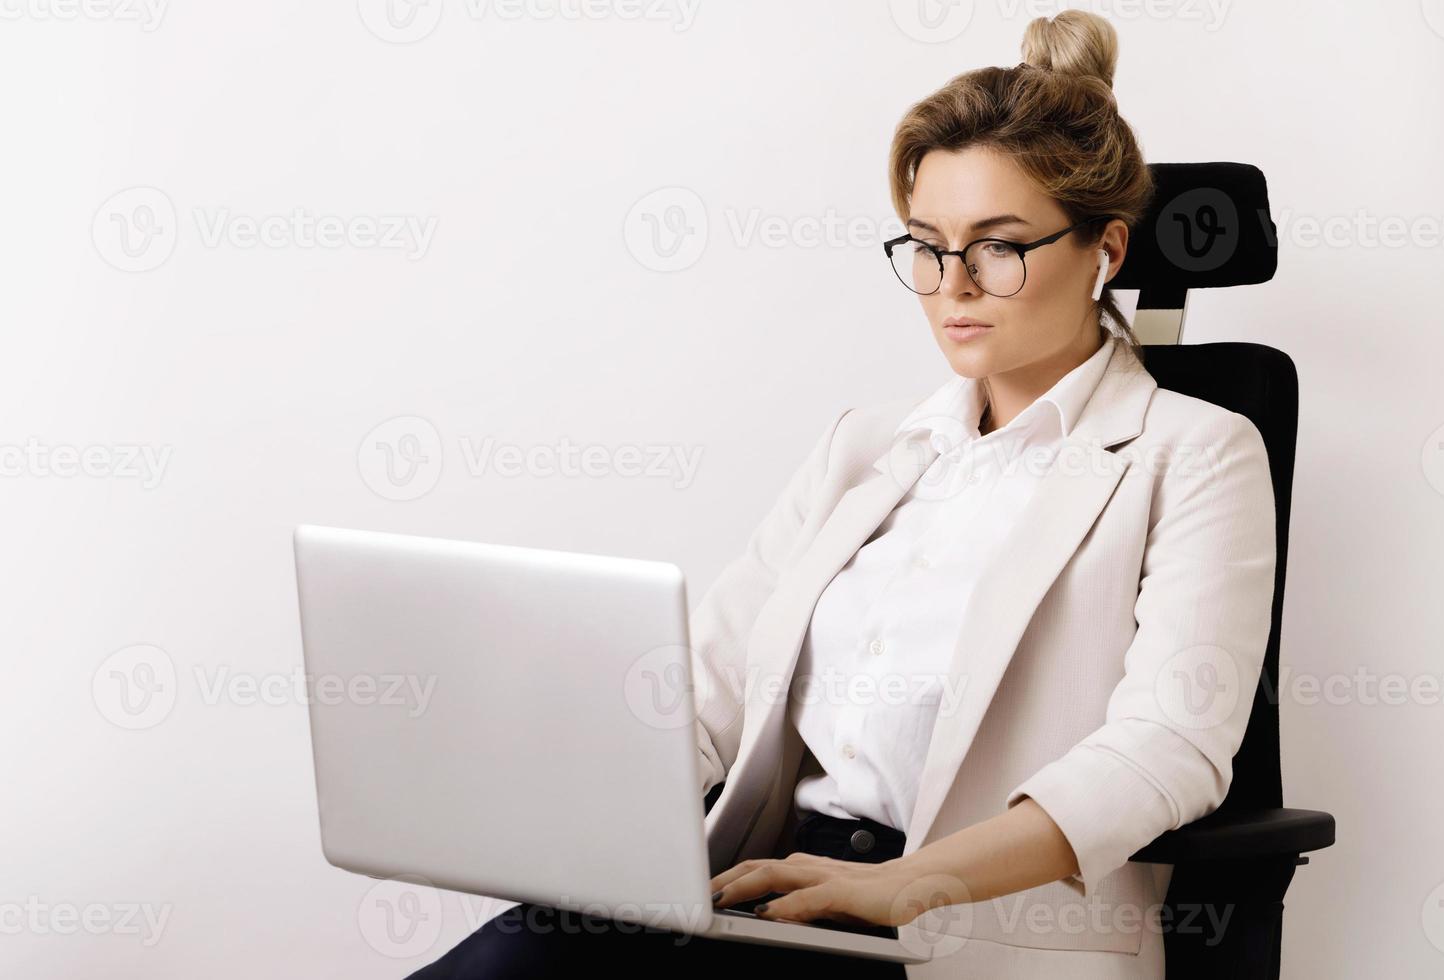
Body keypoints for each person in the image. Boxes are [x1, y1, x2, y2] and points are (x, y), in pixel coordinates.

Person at [411, 9, 1276, 978]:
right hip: (763, 885)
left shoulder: (1196, 452)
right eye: (927, 245)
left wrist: (910, 881)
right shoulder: (867, 446)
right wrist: (555, 798)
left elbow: (1171, 745)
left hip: (958, 920)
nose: (953, 286)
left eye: (998, 247)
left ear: (1105, 251)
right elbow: (710, 694)